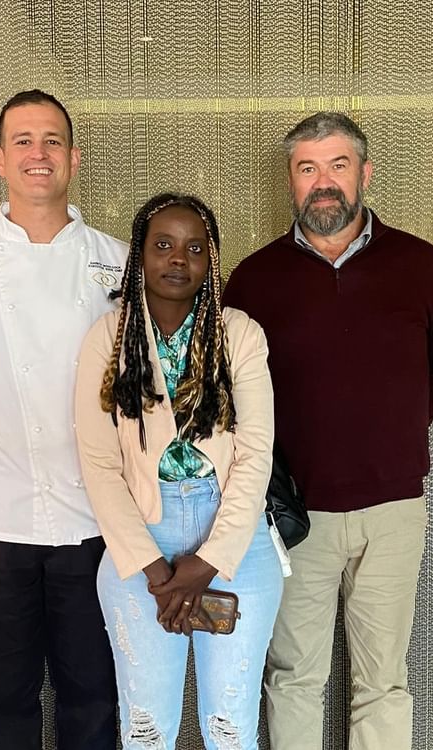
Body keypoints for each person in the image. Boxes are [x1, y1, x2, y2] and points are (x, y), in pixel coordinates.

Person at [223, 112, 433, 750]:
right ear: (291, 182)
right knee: (293, 674)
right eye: (307, 168)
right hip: (295, 515)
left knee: (383, 680)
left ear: (364, 173)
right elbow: (232, 392)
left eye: (336, 165)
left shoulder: (420, 264)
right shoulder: (252, 280)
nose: (322, 182)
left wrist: (393, 432)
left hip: (393, 508)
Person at [0, 89, 124, 750]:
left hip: (95, 522)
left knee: (93, 698)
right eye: (24, 142)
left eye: (52, 141)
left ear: (74, 158)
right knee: (3, 705)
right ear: (0, 160)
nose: (39, 154)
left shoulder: (117, 262)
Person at [74, 193, 283, 750]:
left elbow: (255, 453)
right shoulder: (110, 337)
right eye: (162, 245)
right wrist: (154, 569)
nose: (177, 259)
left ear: (211, 260)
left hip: (234, 537)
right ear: (139, 256)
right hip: (139, 539)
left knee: (231, 727)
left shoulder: (239, 333)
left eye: (194, 248)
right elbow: (99, 463)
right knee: (144, 728)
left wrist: (208, 561)